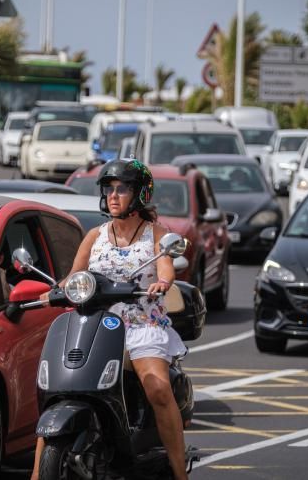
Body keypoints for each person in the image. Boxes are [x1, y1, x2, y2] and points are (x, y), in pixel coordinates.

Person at [30, 159, 189, 480]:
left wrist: (162, 283)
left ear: (141, 194)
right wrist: (51, 291)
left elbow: (166, 269)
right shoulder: (94, 236)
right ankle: (36, 474)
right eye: (109, 189)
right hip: (96, 322)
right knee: (58, 390)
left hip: (142, 324)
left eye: (123, 189)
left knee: (157, 388)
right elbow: (74, 276)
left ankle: (178, 470)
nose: (114, 195)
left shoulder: (156, 234)